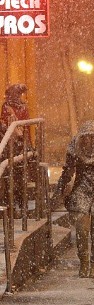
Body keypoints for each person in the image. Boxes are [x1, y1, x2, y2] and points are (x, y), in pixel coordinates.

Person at [51, 121, 94, 278]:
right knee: (82, 232)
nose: (90, 140)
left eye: (93, 137)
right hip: (81, 192)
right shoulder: (75, 148)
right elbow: (68, 171)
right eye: (87, 137)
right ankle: (84, 262)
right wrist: (61, 188)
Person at [0, 83, 32, 218]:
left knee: (15, 177)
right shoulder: (11, 107)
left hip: (14, 145)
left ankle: (14, 205)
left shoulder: (11, 106)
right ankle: (15, 206)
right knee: (15, 177)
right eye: (20, 94)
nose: (22, 97)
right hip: (14, 146)